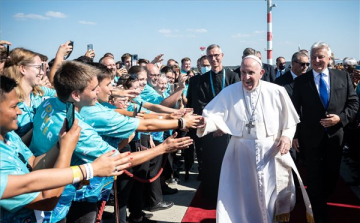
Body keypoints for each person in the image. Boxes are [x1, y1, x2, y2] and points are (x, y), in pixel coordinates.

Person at [197, 55, 312, 223]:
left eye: (251, 72)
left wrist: (287, 137)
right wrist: (205, 122)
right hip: (240, 153)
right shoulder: (230, 92)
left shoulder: (276, 91)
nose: (246, 77)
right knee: (242, 195)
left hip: (270, 152)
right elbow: (214, 115)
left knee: (270, 194)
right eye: (243, 72)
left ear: (262, 72)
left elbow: (290, 121)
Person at [292, 41, 359, 223]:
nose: (316, 60)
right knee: (314, 178)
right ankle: (318, 215)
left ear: (329, 58)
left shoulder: (343, 77)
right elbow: (294, 111)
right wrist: (295, 135)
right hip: (310, 138)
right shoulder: (300, 81)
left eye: (321, 56)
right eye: (313, 56)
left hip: (335, 137)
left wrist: (341, 119)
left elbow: (354, 103)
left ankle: (323, 198)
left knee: (331, 176)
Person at [197, 44, 240, 201]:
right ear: (206, 58)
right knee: (210, 165)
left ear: (222, 55)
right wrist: (212, 126)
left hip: (228, 130)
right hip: (209, 130)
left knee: (229, 165)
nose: (213, 59)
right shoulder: (201, 80)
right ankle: (211, 197)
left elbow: (236, 105)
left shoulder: (233, 77)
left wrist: (223, 127)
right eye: (210, 56)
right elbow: (201, 104)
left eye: (216, 55)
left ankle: (229, 197)